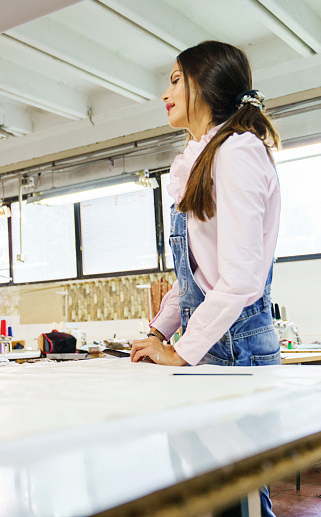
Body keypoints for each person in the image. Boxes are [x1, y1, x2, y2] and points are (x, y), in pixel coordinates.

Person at [129, 41, 280, 516]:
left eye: (175, 80)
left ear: (204, 85)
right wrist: (161, 329)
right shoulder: (202, 156)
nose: (165, 93)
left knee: (239, 502)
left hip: (236, 345)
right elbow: (195, 274)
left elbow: (239, 280)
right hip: (211, 341)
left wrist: (179, 351)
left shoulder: (237, 153)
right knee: (208, 499)